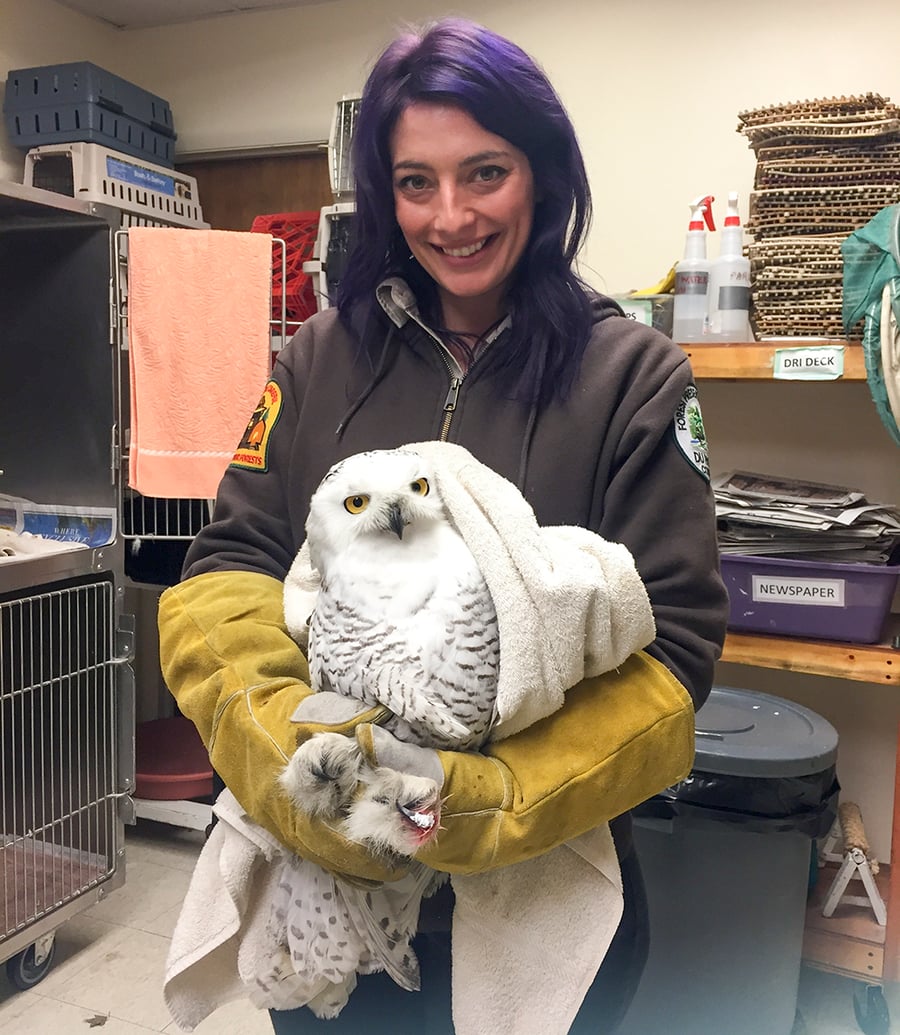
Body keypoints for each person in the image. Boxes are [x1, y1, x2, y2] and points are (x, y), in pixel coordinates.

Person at [158, 16, 729, 1035]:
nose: (451, 215)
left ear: (543, 176)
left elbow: (676, 652)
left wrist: (479, 801)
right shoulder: (317, 359)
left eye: (486, 173)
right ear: (384, 194)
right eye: (415, 182)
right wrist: (281, 756)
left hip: (547, 898)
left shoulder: (635, 378)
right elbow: (230, 565)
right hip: (331, 897)